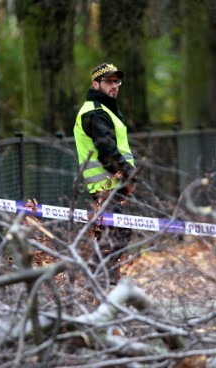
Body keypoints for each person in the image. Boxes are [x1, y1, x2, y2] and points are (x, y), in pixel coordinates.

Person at [73, 62, 137, 281]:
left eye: (116, 82)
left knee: (114, 241)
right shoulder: (95, 112)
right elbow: (107, 151)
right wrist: (128, 177)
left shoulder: (106, 110)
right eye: (108, 81)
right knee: (112, 242)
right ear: (95, 84)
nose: (114, 86)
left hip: (111, 188)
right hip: (106, 188)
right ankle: (99, 287)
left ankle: (102, 287)